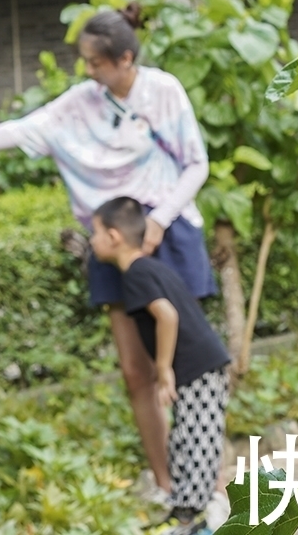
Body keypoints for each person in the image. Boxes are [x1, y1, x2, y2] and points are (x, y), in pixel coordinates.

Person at [0, 4, 218, 507]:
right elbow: (23, 129)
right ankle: (168, 487)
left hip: (167, 235)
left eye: (96, 63)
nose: (89, 72)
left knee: (188, 365)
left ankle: (203, 485)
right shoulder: (80, 104)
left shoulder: (163, 91)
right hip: (111, 247)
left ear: (123, 58)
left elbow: (196, 164)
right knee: (137, 371)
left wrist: (159, 220)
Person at [89, 195, 231, 534]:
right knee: (187, 439)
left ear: (113, 237)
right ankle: (187, 514)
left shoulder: (136, 274)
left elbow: (166, 315)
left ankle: (194, 518)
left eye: (94, 233)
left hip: (200, 369)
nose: (91, 241)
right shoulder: (147, 269)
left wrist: (164, 368)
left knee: (197, 441)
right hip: (201, 368)